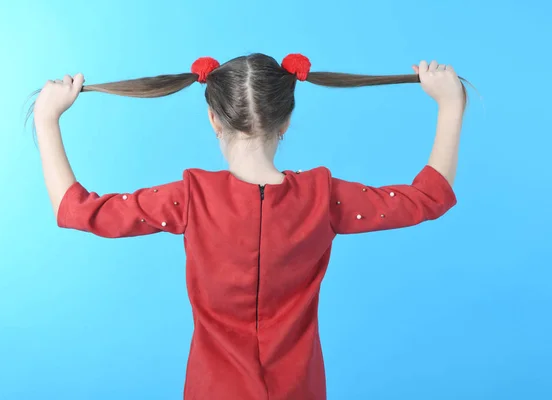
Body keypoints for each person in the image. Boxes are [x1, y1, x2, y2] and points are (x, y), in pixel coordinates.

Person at [32, 53, 464, 400]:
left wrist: (46, 119)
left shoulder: (190, 196)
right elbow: (429, 198)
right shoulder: (323, 196)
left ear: (214, 119)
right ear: (287, 120)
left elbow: (76, 210)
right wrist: (450, 105)